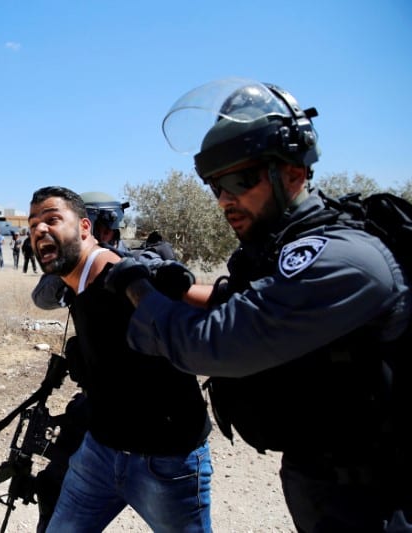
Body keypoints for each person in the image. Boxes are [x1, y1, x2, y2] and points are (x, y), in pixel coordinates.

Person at [112, 79, 411, 531]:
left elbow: (211, 344)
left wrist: (137, 288)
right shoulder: (279, 247)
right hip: (324, 479)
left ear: (293, 172)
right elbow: (246, 300)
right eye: (215, 186)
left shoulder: (344, 258)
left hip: (381, 499)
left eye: (239, 179)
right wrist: (175, 286)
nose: (225, 199)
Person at [28, 185, 212, 532]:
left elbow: (203, 310)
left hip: (166, 459)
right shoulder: (72, 280)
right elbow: (42, 297)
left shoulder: (123, 275)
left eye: (52, 219)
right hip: (101, 449)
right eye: (33, 223)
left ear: (85, 228)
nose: (39, 230)